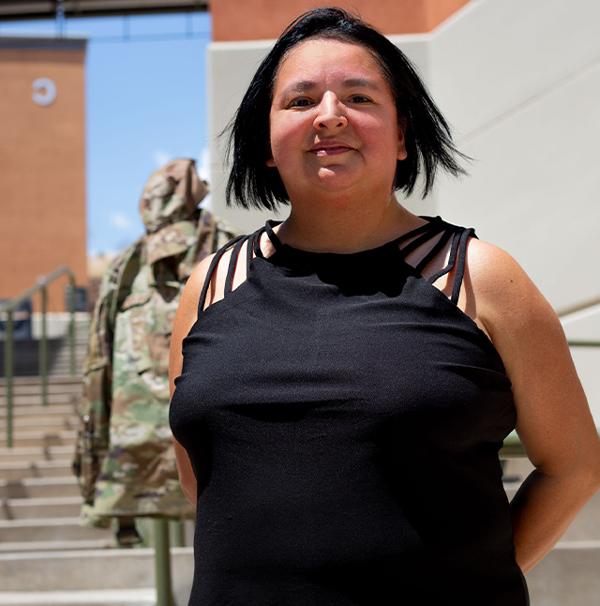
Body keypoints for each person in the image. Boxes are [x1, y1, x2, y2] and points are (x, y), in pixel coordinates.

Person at [168, 8, 600, 605]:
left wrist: (471, 582)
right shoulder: (211, 284)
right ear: (266, 141)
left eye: (359, 96)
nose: (328, 116)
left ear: (402, 135)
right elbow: (207, 479)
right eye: (298, 101)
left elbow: (573, 467)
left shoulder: (479, 277)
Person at [73, 158, 237, 540]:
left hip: (134, 456)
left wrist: (92, 465)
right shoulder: (231, 249)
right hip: (219, 450)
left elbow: (98, 370)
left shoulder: (126, 266)